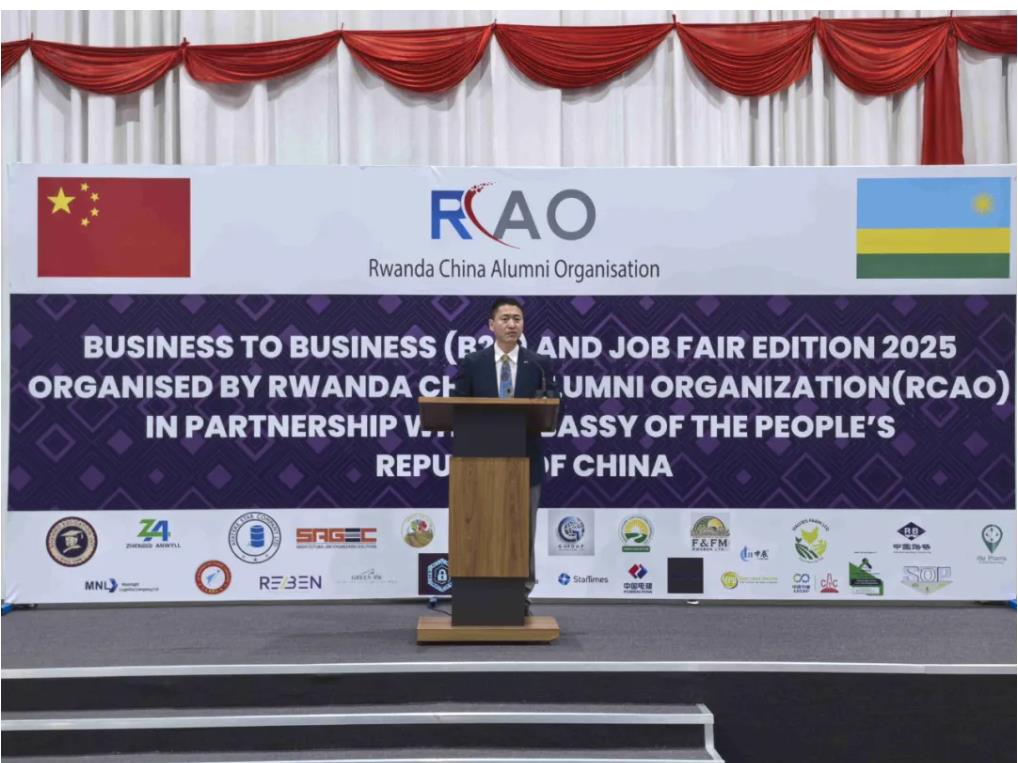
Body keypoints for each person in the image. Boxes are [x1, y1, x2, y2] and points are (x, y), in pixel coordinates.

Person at [452, 297, 557, 613]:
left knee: (522, 532)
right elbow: (457, 409)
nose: (512, 324)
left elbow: (555, 408)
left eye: (517, 319)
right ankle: (475, 592)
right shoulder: (473, 363)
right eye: (505, 318)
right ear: (491, 325)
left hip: (526, 461)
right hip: (478, 465)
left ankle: (520, 594)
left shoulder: (538, 364)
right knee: (477, 527)